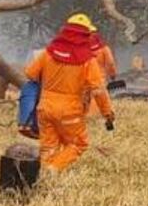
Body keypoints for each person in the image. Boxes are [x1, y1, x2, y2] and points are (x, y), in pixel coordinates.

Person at [25, 17, 115, 172]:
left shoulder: (48, 52)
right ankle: (52, 170)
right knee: (78, 144)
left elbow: (30, 73)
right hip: (70, 110)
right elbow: (99, 91)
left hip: (45, 108)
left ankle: (42, 174)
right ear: (86, 35)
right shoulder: (87, 59)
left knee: (48, 146)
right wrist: (107, 113)